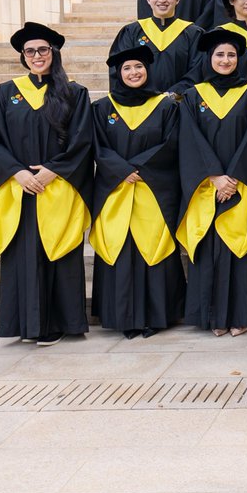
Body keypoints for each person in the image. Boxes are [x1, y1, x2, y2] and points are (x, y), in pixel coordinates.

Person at [0, 22, 92, 345]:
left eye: (43, 50)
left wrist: (52, 171)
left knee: (56, 251)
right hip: (20, 190)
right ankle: (25, 325)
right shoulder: (4, 94)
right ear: (23, 56)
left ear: (54, 53)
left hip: (57, 188)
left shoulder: (74, 94)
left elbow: (83, 142)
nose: (37, 56)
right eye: (30, 51)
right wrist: (18, 172)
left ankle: (59, 323)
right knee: (22, 255)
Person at [177, 28, 247, 336]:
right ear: (209, 58)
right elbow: (190, 139)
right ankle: (213, 317)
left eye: (231, 54)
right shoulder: (193, 95)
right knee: (210, 249)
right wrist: (215, 176)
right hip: (208, 186)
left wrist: (233, 177)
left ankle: (243, 315)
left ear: (239, 59)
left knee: (243, 248)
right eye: (219, 54)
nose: (225, 59)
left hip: (244, 183)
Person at [89, 45, 185, 338]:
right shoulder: (102, 108)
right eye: (127, 68)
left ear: (148, 70)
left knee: (152, 250)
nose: (134, 73)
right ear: (118, 73)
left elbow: (172, 142)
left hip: (153, 188)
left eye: (139, 67)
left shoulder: (166, 106)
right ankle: (123, 319)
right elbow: (96, 145)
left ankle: (156, 317)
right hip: (116, 190)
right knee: (121, 247)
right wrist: (121, 170)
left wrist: (139, 167)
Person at [110, 0, 203, 97]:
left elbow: (198, 71)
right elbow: (119, 70)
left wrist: (173, 93)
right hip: (141, 105)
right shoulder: (131, 32)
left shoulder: (193, 34)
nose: (162, 0)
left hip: (180, 105)